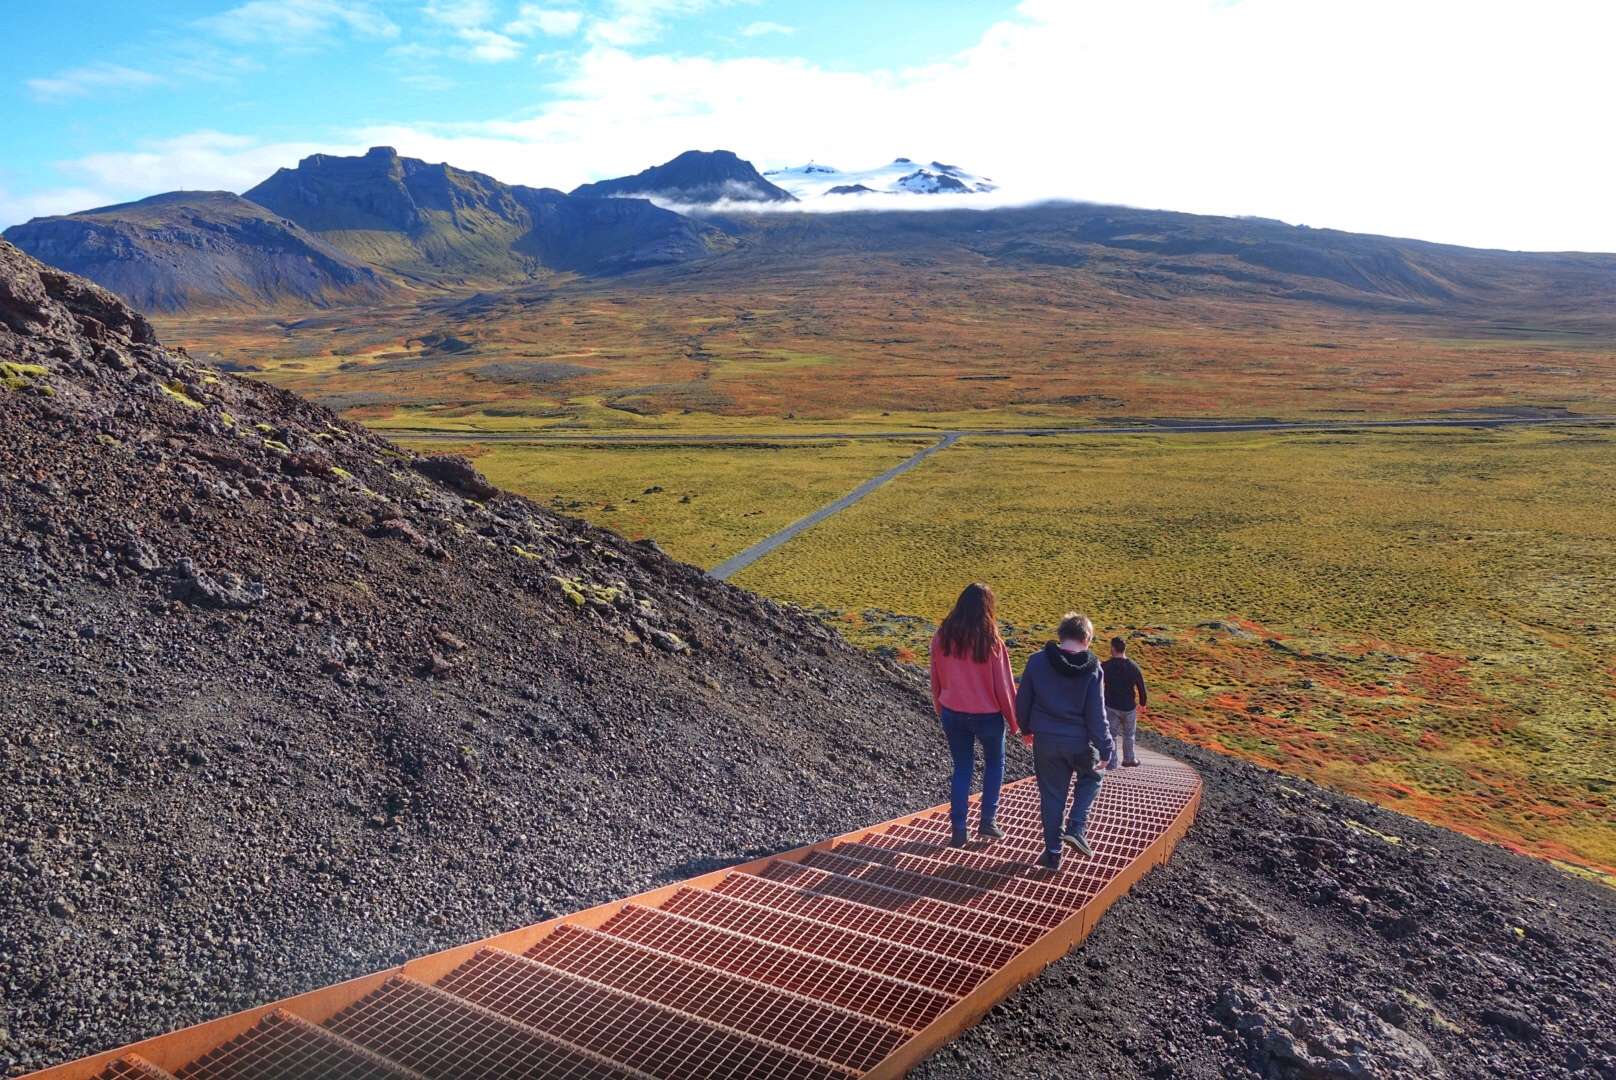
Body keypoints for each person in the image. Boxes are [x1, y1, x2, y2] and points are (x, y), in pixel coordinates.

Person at [1016, 612, 1114, 870]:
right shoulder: (1094, 669)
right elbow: (1096, 714)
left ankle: (1052, 853)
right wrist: (1106, 747)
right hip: (1080, 742)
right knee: (1092, 776)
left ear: (1061, 635)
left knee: (1051, 797)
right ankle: (1077, 827)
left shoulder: (1036, 662)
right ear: (1087, 638)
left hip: (1046, 741)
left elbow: (1023, 700)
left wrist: (1025, 729)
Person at [929, 583, 1021, 847]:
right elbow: (1004, 686)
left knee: (962, 768)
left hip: (953, 712)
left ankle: (958, 829)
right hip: (988, 716)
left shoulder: (942, 636)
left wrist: (940, 706)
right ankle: (988, 821)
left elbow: (935, 676)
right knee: (994, 763)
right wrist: (1014, 722)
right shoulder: (991, 641)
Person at [1101, 635, 1148, 769]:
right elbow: (1141, 687)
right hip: (1129, 707)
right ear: (1124, 648)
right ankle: (1129, 759)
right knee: (1129, 735)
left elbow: (1095, 683)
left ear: (1113, 648)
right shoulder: (1133, 667)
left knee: (1111, 734)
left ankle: (1111, 762)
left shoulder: (1105, 666)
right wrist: (1143, 703)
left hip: (1111, 706)